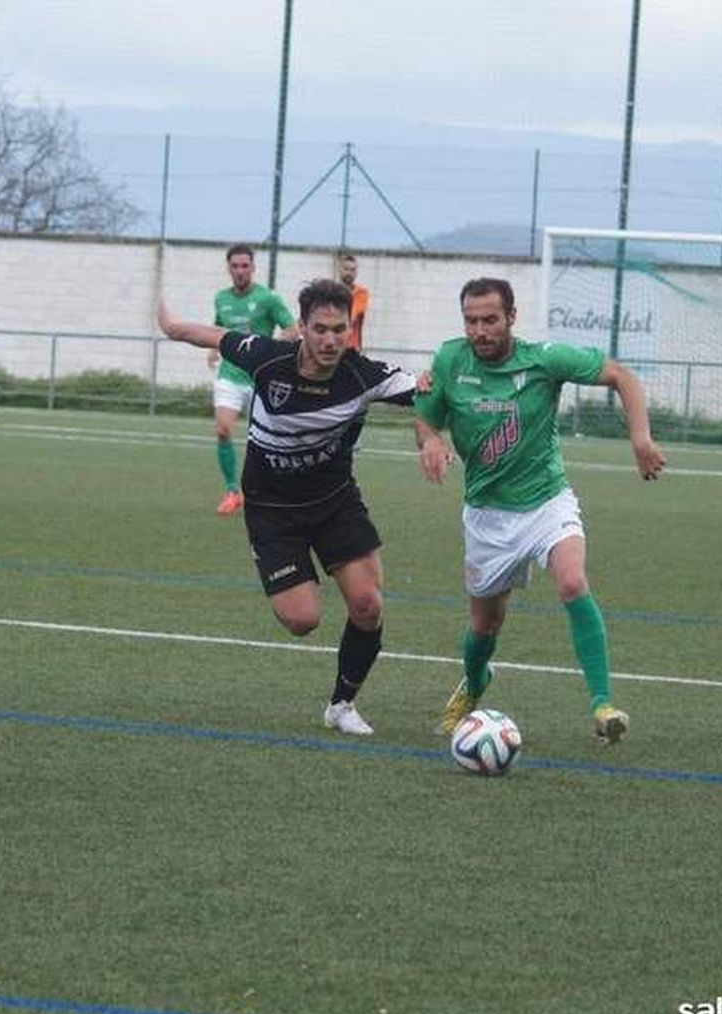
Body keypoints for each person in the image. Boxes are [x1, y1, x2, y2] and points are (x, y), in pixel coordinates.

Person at [159, 278, 418, 736]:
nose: (331, 340)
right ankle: (288, 567)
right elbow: (207, 335)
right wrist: (168, 319)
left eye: (340, 329)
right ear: (301, 327)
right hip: (272, 510)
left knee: (367, 604)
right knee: (303, 620)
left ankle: (341, 705)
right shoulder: (267, 359)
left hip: (335, 502)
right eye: (320, 329)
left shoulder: (364, 375)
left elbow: (432, 395)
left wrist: (432, 433)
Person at [413, 277, 666, 745]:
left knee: (572, 581)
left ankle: (603, 704)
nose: (480, 330)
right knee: (485, 625)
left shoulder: (543, 360)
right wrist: (430, 441)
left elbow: (621, 377)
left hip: (547, 501)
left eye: (490, 320)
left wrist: (640, 438)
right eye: (471, 320)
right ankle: (473, 685)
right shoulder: (450, 360)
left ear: (511, 317)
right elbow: (425, 417)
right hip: (487, 515)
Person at [207, 243, 299, 516]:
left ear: (253, 268)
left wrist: (268, 352)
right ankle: (234, 491)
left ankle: (268, 492)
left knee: (264, 440)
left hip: (260, 378)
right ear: (228, 268)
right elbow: (218, 327)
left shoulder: (268, 298)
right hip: (230, 376)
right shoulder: (221, 298)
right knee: (223, 430)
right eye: (235, 266)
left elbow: (292, 329)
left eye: (245, 266)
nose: (240, 271)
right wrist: (213, 349)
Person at [336, 251, 370, 352]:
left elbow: (353, 315)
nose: (349, 273)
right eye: (346, 269)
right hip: (334, 345)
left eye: (352, 270)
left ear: (356, 272)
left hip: (352, 347)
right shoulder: (331, 291)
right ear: (339, 270)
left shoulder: (361, 293)